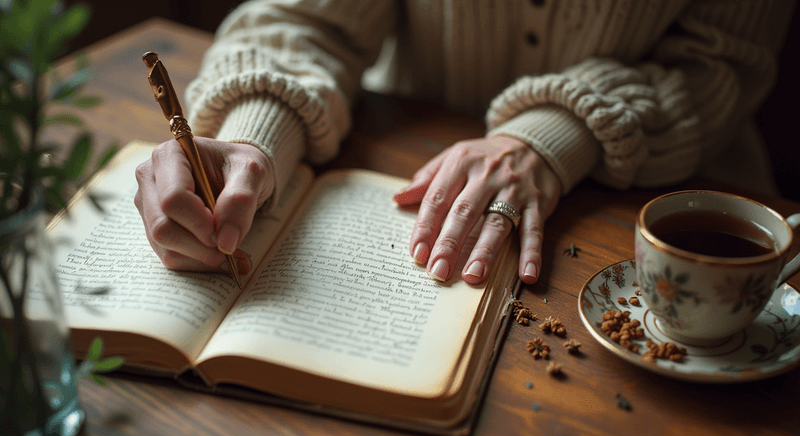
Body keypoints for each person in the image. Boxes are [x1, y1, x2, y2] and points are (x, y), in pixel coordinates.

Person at [134, 0, 795, 286]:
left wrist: (549, 137)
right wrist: (253, 139)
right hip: (399, 164)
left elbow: (719, 63)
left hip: (670, 208)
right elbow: (305, 20)